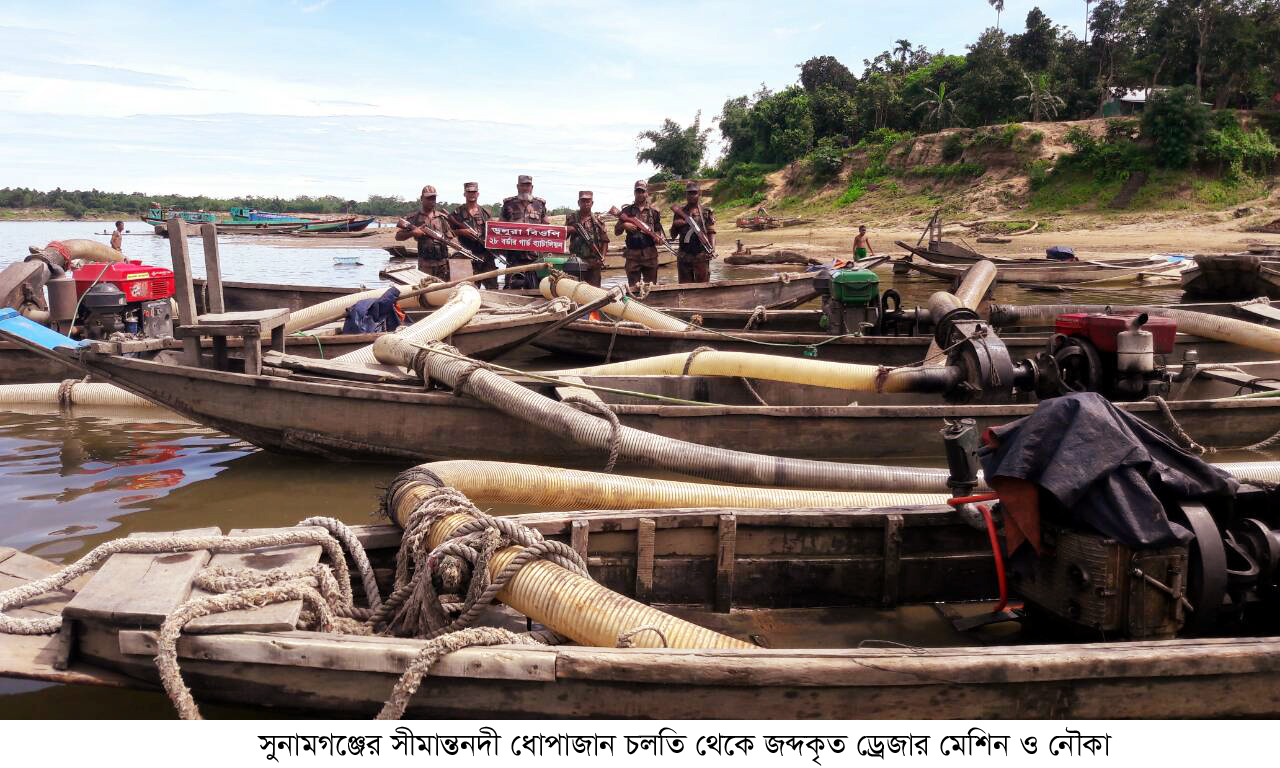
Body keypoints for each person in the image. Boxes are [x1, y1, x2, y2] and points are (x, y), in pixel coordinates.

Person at [395, 185, 458, 281]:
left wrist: (458, 246)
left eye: (434, 198)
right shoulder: (414, 218)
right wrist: (413, 233)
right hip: (425, 266)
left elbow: (451, 237)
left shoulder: (442, 218)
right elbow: (398, 237)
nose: (432, 201)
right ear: (421, 198)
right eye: (428, 198)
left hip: (443, 265)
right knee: (425, 292)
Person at [499, 174, 548, 290]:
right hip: (513, 258)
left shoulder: (540, 205)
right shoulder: (508, 204)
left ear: (532, 187)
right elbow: (499, 227)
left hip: (535, 258)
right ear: (517, 186)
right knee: (511, 290)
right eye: (522, 185)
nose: (525, 188)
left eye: (528, 185)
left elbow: (546, 227)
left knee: (535, 289)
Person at [614, 180, 665, 287]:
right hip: (632, 256)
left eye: (642, 191)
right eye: (638, 191)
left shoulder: (654, 212)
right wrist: (624, 225)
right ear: (634, 193)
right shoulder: (626, 211)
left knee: (651, 288)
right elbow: (617, 232)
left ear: (647, 193)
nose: (640, 194)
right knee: (633, 288)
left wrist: (660, 238)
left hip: (650, 256)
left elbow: (659, 230)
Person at [451, 182, 497, 288]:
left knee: (493, 287)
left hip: (487, 256)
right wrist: (462, 232)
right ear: (464, 194)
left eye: (474, 192)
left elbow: (492, 232)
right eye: (469, 192)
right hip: (466, 256)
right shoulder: (456, 213)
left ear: (478, 194)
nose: (472, 194)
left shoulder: (486, 212)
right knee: (468, 288)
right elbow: (448, 232)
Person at [670, 182, 716, 284]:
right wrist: (676, 225)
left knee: (703, 288)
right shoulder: (680, 212)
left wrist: (711, 249)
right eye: (689, 193)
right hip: (684, 257)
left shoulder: (706, 212)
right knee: (684, 290)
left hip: (701, 256)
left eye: (694, 193)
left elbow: (711, 232)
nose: (691, 196)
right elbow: (673, 236)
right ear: (686, 195)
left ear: (699, 193)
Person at [564, 190, 609, 287]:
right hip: (576, 263)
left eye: (588, 201)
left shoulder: (598, 220)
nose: (586, 204)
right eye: (583, 201)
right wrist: (571, 229)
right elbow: (563, 237)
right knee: (575, 291)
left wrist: (603, 256)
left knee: (595, 293)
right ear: (578, 203)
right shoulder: (571, 218)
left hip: (594, 263)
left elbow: (605, 240)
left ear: (592, 203)